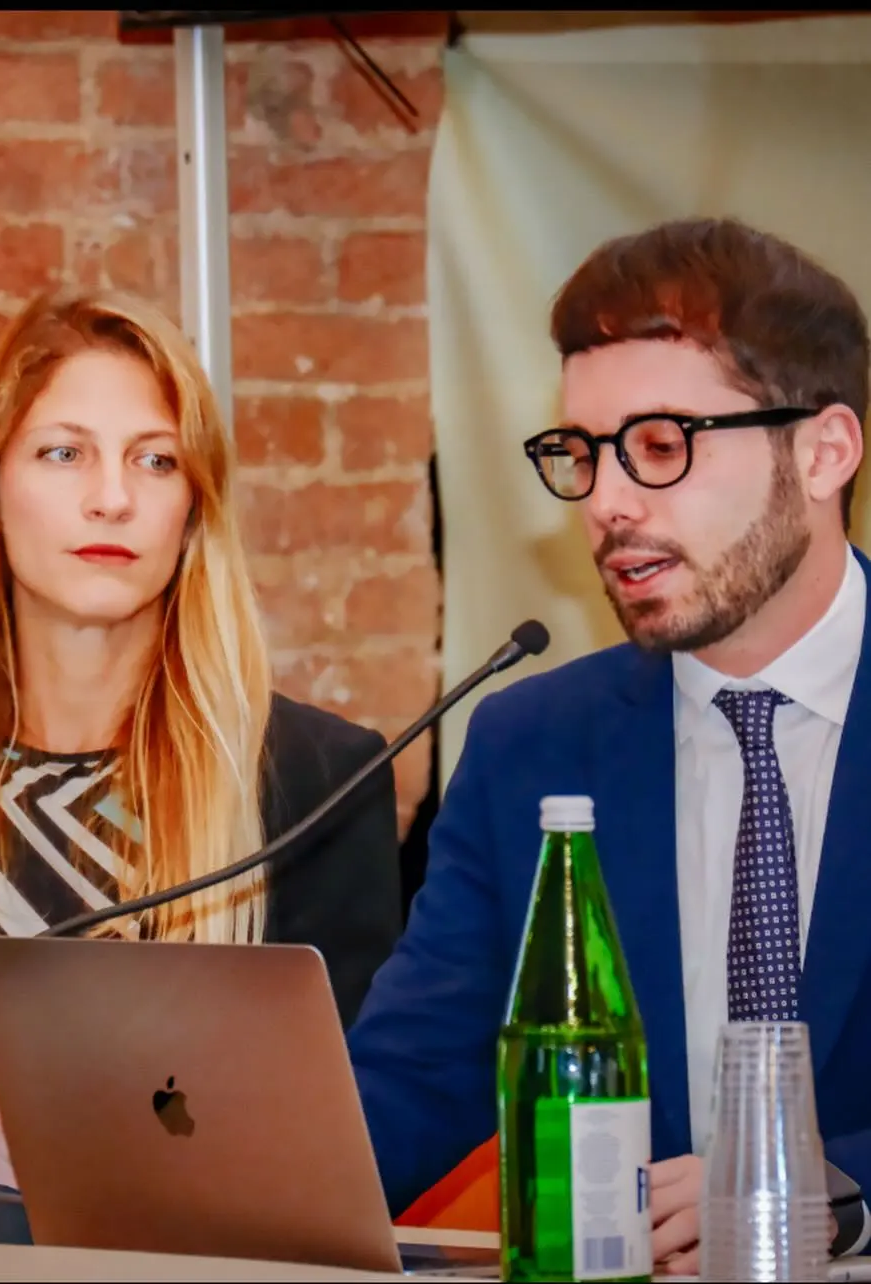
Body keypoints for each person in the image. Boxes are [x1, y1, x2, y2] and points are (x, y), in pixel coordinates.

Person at [347, 217, 871, 1272]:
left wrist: (830, 1189)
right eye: (582, 455)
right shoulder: (533, 744)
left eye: (661, 446)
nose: (608, 503)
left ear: (823, 452)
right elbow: (409, 1083)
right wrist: (175, 1165)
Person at [0, 289, 403, 1189]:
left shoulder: (319, 779)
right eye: (64, 453)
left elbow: (348, 1140)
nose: (112, 499)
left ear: (193, 509)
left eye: (156, 461)